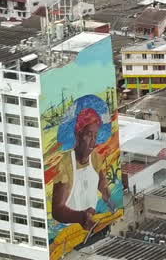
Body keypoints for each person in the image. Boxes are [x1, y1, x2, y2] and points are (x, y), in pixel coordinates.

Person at [51, 101, 116, 237]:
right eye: (89, 134)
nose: (93, 141)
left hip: (91, 226)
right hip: (70, 231)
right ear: (78, 134)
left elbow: (103, 186)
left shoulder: (95, 158)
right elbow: (57, 211)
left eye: (95, 136)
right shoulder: (66, 164)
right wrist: (81, 217)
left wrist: (112, 205)